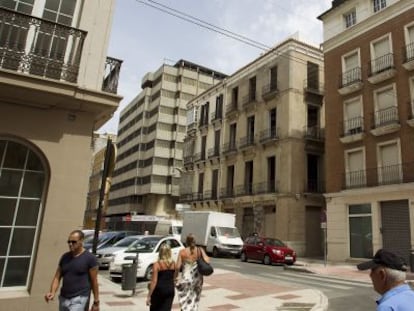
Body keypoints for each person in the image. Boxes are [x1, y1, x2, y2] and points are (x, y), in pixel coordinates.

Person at [45, 230, 100, 311]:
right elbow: (57, 277)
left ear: (81, 241)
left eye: (73, 242)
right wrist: (52, 292)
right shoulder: (65, 257)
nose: (70, 244)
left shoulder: (90, 258)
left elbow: (94, 281)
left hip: (79, 299)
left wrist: (96, 302)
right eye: (69, 242)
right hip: (64, 298)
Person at [175, 234, 210, 311]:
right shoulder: (199, 250)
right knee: (194, 299)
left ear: (186, 242)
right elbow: (207, 260)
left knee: (185, 299)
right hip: (197, 279)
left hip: (186, 279)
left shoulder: (182, 252)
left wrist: (175, 277)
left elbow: (177, 267)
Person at [146, 243, 176, 310]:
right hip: (170, 289)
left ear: (160, 252)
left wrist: (149, 295)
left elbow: (154, 281)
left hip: (159, 290)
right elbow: (174, 278)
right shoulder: (173, 264)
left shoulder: (157, 264)